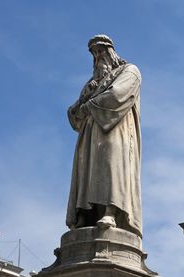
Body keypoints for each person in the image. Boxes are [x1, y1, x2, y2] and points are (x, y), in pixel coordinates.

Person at [66, 34, 142, 236]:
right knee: (87, 171)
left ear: (111, 51)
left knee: (111, 166)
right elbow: (74, 113)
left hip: (115, 129)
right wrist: (83, 103)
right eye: (95, 53)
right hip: (89, 136)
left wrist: (88, 105)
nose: (99, 56)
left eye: (101, 51)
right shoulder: (92, 83)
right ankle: (85, 213)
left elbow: (117, 95)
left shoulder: (130, 71)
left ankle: (111, 211)